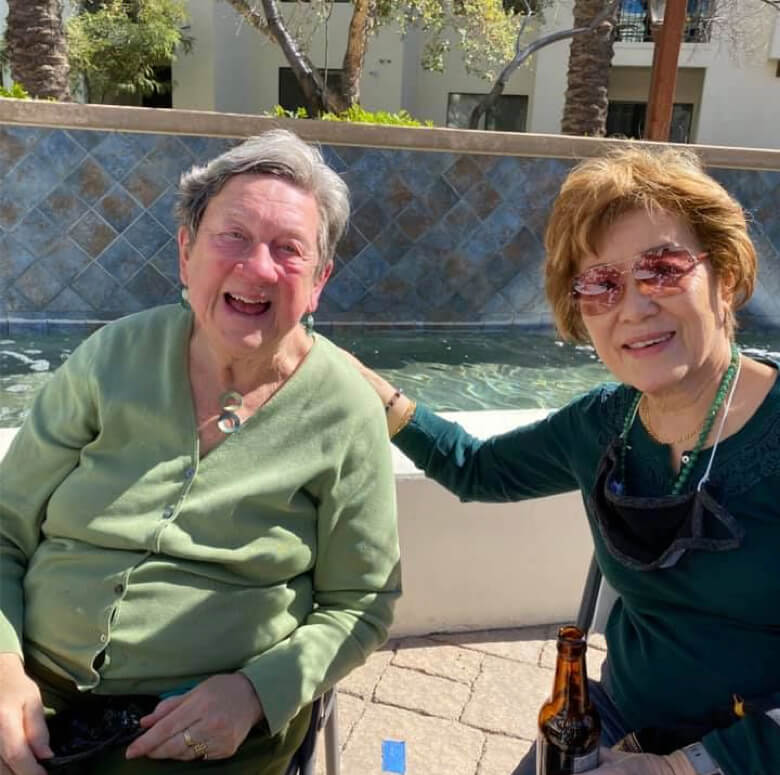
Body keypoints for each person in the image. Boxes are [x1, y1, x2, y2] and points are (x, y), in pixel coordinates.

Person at [347, 146, 780, 774]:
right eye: (601, 284)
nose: (633, 307)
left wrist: (680, 769)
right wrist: (374, 392)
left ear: (728, 279)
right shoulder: (606, 423)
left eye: (662, 268)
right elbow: (480, 469)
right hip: (615, 721)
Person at [0, 129, 401, 775]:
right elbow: (4, 530)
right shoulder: (111, 356)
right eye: (232, 236)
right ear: (187, 253)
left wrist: (254, 692)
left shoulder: (345, 409)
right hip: (30, 688)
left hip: (203, 729)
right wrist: (2, 667)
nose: (258, 267)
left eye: (288, 249)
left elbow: (362, 601)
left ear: (320, 281)